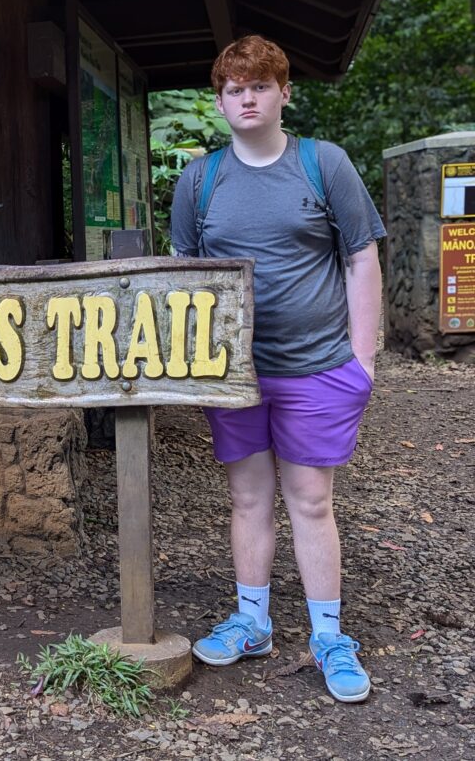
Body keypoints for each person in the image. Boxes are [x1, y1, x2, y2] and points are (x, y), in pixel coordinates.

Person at [170, 36, 384, 703]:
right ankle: (253, 619)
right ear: (220, 99)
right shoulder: (199, 180)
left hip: (317, 366)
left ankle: (328, 635)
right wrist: (195, 364)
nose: (248, 98)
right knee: (247, 497)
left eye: (260, 86)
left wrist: (363, 360)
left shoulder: (325, 165)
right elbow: (185, 275)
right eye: (235, 89)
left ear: (284, 93)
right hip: (234, 372)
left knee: (312, 500)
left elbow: (362, 258)